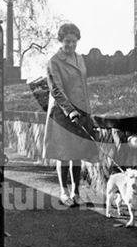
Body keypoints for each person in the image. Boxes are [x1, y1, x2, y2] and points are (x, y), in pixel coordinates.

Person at [42, 22, 99, 206]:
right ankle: (64, 192)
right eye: (67, 41)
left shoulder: (80, 59)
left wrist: (87, 112)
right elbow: (56, 90)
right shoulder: (54, 61)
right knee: (64, 154)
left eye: (74, 41)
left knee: (77, 153)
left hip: (80, 111)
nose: (71, 45)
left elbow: (83, 87)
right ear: (61, 40)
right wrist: (70, 110)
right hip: (62, 113)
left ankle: (76, 192)